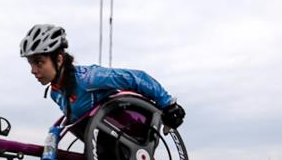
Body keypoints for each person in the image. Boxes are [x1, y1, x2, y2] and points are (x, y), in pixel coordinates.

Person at [19, 24, 184, 129]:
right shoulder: (55, 93)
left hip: (134, 129)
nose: (33, 70)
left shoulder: (87, 78)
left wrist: (168, 105)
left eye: (39, 62)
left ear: (59, 59)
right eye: (30, 64)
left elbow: (136, 77)